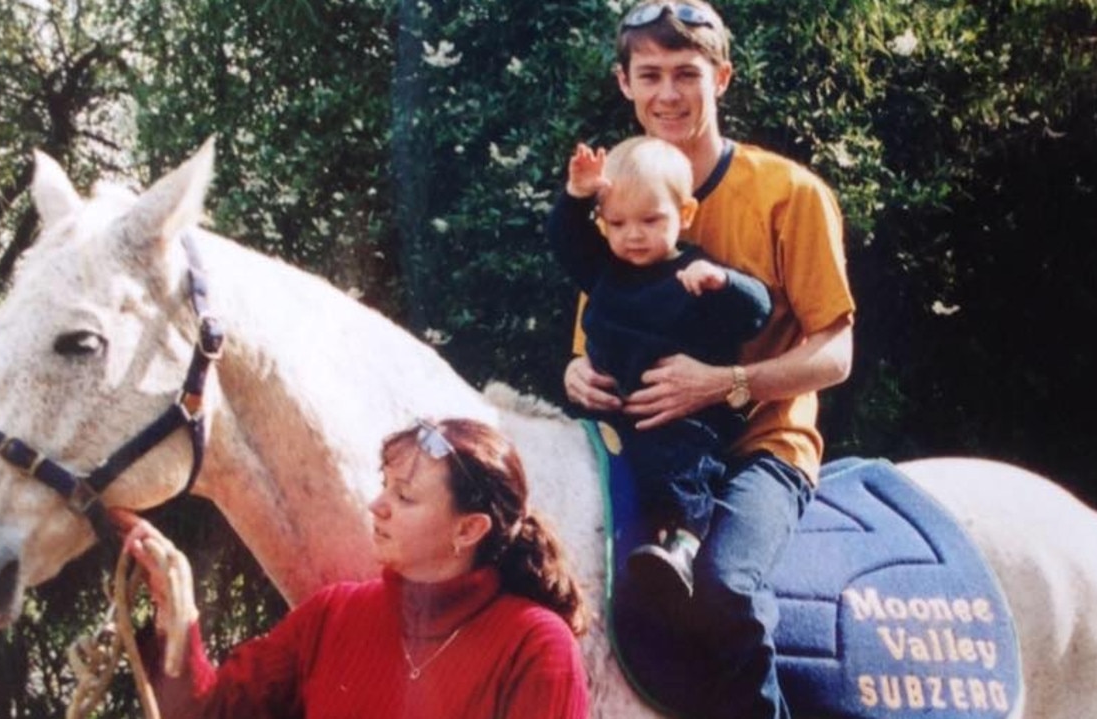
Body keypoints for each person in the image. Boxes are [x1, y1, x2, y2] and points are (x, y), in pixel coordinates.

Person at [560, 2, 855, 717]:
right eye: (649, 74)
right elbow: (590, 337)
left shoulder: (791, 194)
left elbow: (837, 352)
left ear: (720, 77)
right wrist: (575, 374)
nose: (668, 93)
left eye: (686, 73)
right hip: (640, 447)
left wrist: (729, 382)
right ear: (623, 83)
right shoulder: (614, 197)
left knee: (723, 587)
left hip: (761, 446)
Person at [121, 418, 591, 719]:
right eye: (384, 486)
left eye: (404, 497)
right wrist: (176, 621)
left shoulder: (536, 645)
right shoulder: (334, 615)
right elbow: (209, 715)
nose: (376, 506)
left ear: (469, 530)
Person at [547, 135, 772, 603]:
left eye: (651, 220)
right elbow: (564, 240)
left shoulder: (694, 275)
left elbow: (757, 311)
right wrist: (577, 193)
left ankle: (682, 548)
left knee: (677, 470)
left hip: (679, 419)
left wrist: (724, 282)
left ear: (684, 215)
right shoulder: (604, 269)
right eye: (617, 222)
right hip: (610, 412)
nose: (633, 235)